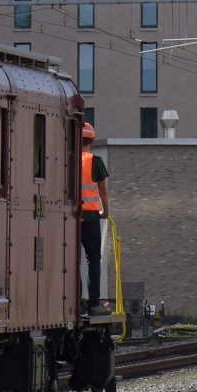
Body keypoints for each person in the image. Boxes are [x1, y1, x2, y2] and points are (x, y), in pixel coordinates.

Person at [80, 123, 112, 308]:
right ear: (91, 141)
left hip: (71, 219)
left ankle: (75, 300)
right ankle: (93, 301)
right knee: (93, 260)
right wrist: (105, 213)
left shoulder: (67, 159)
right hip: (91, 218)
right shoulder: (96, 162)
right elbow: (103, 192)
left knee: (72, 261)